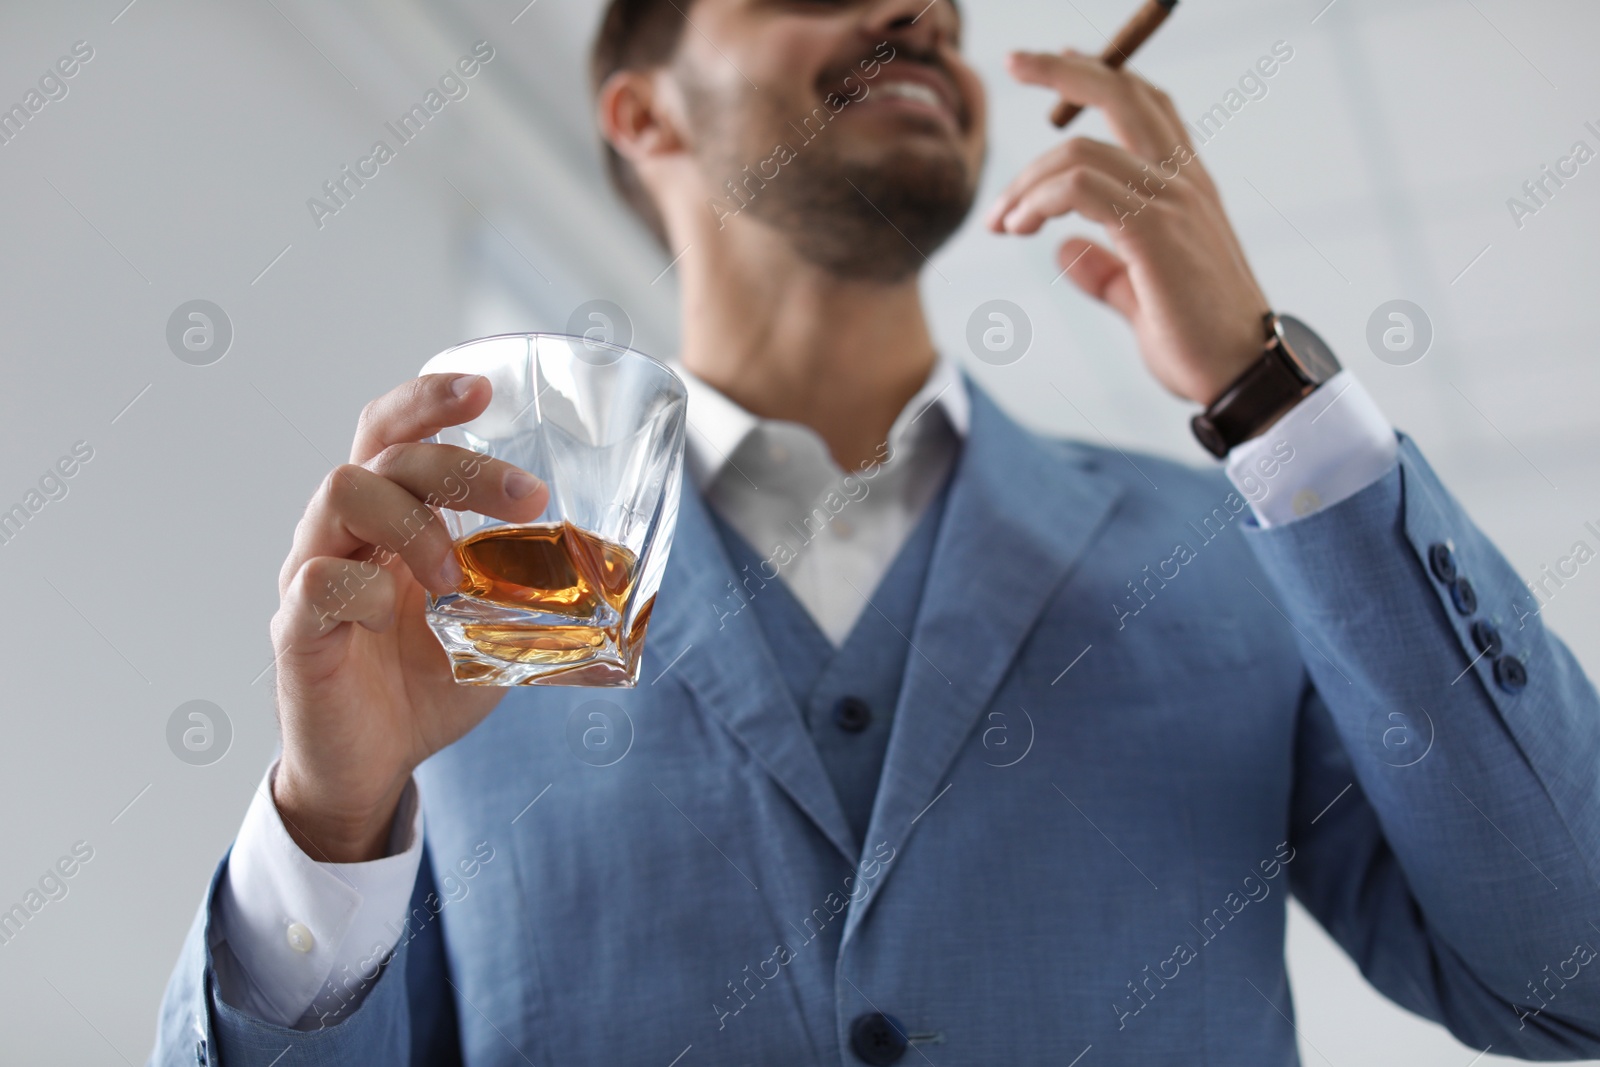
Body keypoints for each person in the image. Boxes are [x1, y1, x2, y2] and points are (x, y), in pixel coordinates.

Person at [152, 0, 1600, 1063]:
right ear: (645, 112)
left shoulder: (1234, 540)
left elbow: (1569, 971)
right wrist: (330, 828)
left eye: (947, 19)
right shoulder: (464, 605)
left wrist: (1272, 402)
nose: (916, 13)